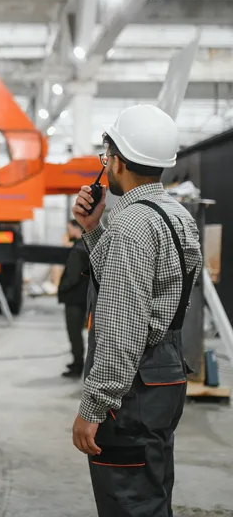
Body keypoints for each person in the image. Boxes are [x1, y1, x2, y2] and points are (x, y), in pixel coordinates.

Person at [70, 104, 202, 516]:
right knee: (151, 493)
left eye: (106, 154)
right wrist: (94, 230)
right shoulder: (176, 216)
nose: (104, 163)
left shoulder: (131, 227)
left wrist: (94, 405)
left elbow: (122, 327)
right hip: (164, 376)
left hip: (132, 391)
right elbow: (145, 290)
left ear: (118, 161)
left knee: (129, 503)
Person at [57, 219, 90, 378]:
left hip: (74, 299)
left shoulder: (77, 250)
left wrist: (61, 289)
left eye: (69, 229)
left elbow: (72, 277)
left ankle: (77, 365)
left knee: (74, 333)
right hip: (83, 297)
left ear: (77, 229)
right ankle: (78, 362)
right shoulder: (86, 246)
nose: (68, 232)